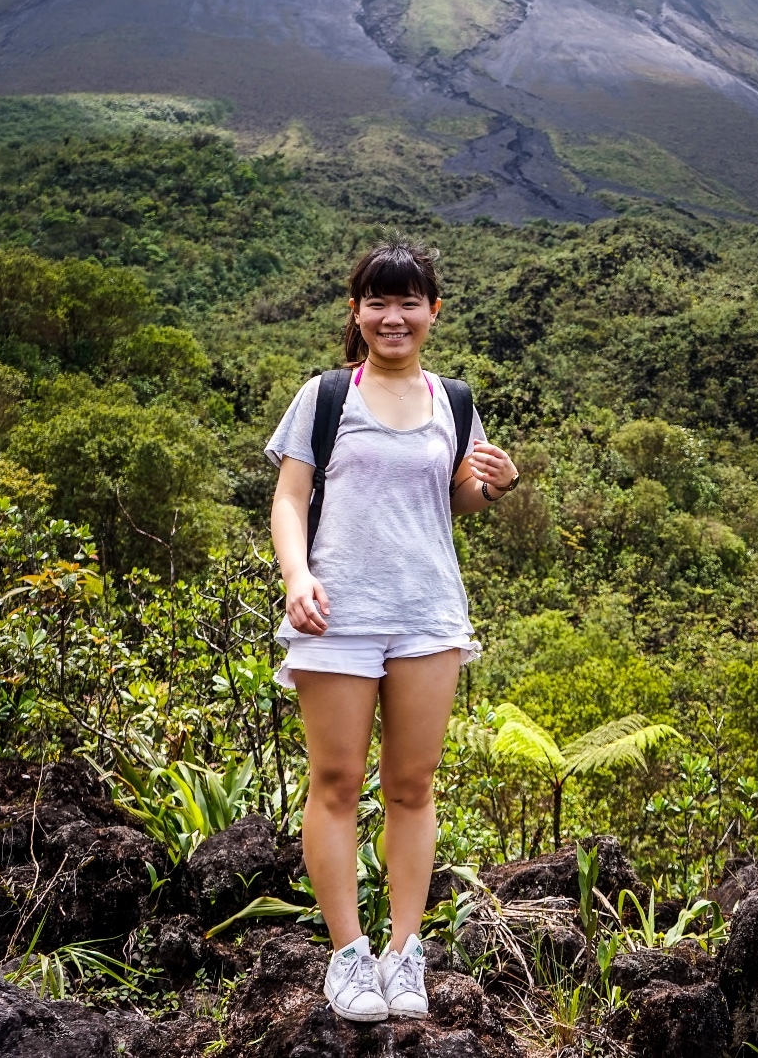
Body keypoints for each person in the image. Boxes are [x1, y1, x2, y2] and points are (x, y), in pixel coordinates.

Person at [264, 242, 519, 1022]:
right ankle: (349, 956)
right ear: (357, 312)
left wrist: (494, 489)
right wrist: (297, 576)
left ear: (434, 311)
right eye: (378, 301)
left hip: (427, 613)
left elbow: (451, 501)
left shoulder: (456, 401)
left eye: (409, 302)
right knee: (336, 784)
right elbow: (289, 498)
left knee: (411, 787)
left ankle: (404, 953)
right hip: (337, 613)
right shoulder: (327, 394)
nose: (393, 316)